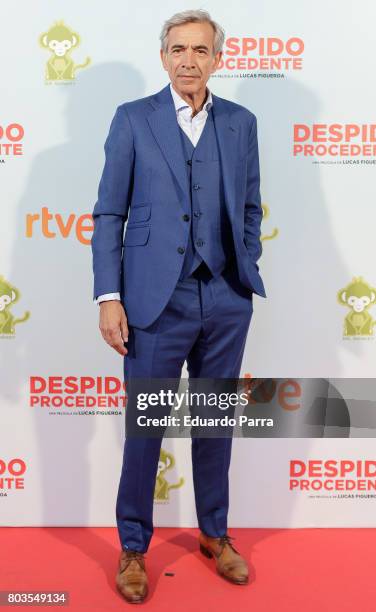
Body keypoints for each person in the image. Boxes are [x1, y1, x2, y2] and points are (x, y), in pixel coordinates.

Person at [91, 9, 266, 603]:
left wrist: (243, 272)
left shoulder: (242, 123)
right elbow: (110, 213)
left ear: (218, 58)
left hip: (224, 296)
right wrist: (109, 295)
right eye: (177, 49)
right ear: (163, 56)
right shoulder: (133, 120)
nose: (188, 59)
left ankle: (215, 534)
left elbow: (250, 207)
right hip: (150, 299)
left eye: (200, 50)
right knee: (146, 429)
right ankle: (134, 546)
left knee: (216, 424)